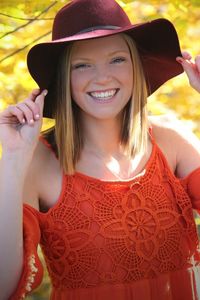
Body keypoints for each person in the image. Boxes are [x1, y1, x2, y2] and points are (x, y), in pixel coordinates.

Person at [0, 0, 200, 299]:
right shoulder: (36, 162)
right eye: (82, 65)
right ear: (64, 79)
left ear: (136, 67)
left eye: (117, 59)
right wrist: (14, 157)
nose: (102, 77)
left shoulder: (171, 140)